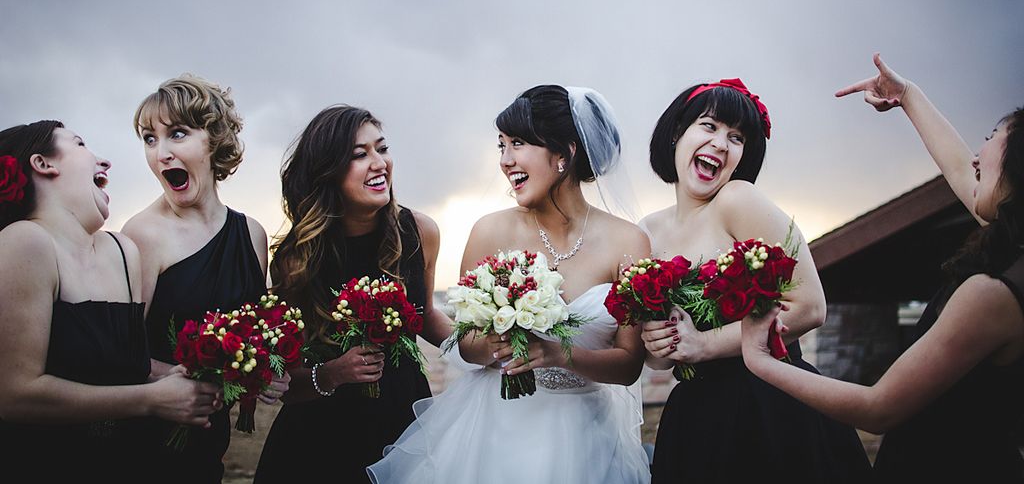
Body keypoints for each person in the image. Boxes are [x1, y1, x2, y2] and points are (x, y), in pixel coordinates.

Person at [741, 54, 1024, 481]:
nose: (978, 154)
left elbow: (878, 408)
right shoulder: (1014, 251)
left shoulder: (993, 294)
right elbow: (959, 169)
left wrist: (761, 362)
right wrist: (907, 95)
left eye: (991, 137)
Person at [367, 85, 652, 484]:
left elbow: (629, 364)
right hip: (494, 428)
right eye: (500, 146)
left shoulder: (629, 242)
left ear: (564, 154)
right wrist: (497, 344)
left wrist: (557, 354)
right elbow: (466, 345)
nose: (505, 160)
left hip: (587, 435)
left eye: (517, 143)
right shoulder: (489, 231)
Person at [638, 78, 871, 483]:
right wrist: (657, 344)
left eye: (737, 137)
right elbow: (660, 356)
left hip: (770, 403)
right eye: (709, 126)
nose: (721, 144)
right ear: (678, 132)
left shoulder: (738, 200)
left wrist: (704, 344)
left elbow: (810, 307)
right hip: (695, 416)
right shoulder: (647, 232)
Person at [0, 120, 220, 483]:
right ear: (43, 164)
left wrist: (176, 380)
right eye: (80, 143)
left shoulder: (123, 251)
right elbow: (15, 395)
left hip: (127, 464)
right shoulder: (25, 242)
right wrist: (150, 400)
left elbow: (123, 369)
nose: (105, 162)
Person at [254, 104, 451, 483]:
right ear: (328, 171)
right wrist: (333, 373)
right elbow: (288, 380)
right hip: (321, 435)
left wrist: (475, 347)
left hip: (402, 421)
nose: (379, 163)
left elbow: (425, 314)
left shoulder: (420, 231)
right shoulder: (297, 258)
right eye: (360, 155)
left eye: (382, 148)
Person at [122, 75, 281, 483]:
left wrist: (264, 372)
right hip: (146, 442)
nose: (161, 153)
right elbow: (116, 355)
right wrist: (168, 377)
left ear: (213, 139)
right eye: (149, 138)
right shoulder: (142, 236)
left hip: (213, 438)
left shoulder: (252, 235)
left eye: (177, 134)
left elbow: (251, 334)